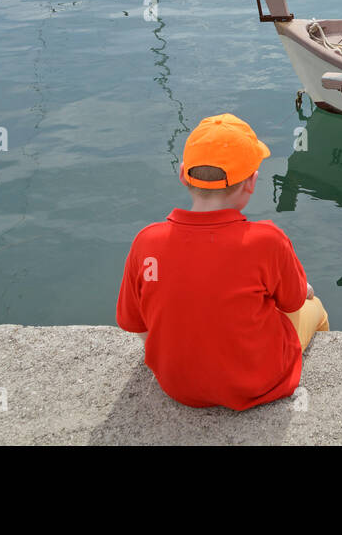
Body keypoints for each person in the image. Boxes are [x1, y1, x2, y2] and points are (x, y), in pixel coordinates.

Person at [116, 113, 328, 410]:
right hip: (258, 382)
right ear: (252, 182)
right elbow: (292, 302)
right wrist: (304, 289)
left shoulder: (146, 242)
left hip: (175, 385)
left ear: (182, 174)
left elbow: (134, 322)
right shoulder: (267, 240)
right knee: (314, 307)